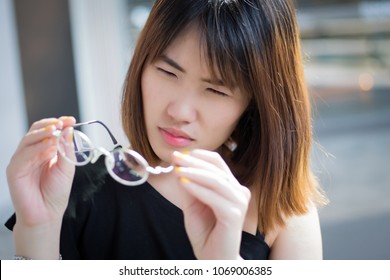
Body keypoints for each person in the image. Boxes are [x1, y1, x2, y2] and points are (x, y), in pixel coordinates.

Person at [5, 0, 327, 260]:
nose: (179, 111)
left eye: (216, 91)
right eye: (167, 71)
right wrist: (38, 230)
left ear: (255, 105)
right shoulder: (74, 190)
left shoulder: (281, 210)